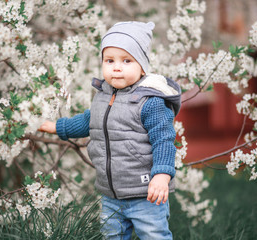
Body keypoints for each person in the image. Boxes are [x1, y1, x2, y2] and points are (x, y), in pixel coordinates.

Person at [39, 21, 181, 240]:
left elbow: (164, 140)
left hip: (146, 194)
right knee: (110, 236)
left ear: (142, 66)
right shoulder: (103, 96)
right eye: (109, 60)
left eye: (126, 61)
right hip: (111, 195)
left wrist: (162, 174)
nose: (116, 67)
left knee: (154, 235)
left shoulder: (150, 102)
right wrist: (58, 127)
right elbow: (89, 121)